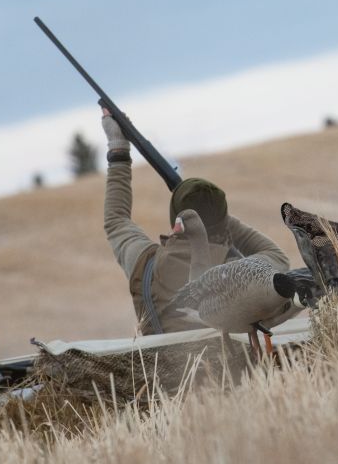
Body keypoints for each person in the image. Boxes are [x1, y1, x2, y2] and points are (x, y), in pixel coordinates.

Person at [101, 111, 289, 335]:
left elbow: (116, 219)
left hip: (166, 371)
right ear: (224, 220)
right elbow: (278, 259)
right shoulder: (240, 272)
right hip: (240, 370)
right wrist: (216, 215)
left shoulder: (142, 263)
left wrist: (118, 148)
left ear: (175, 216)